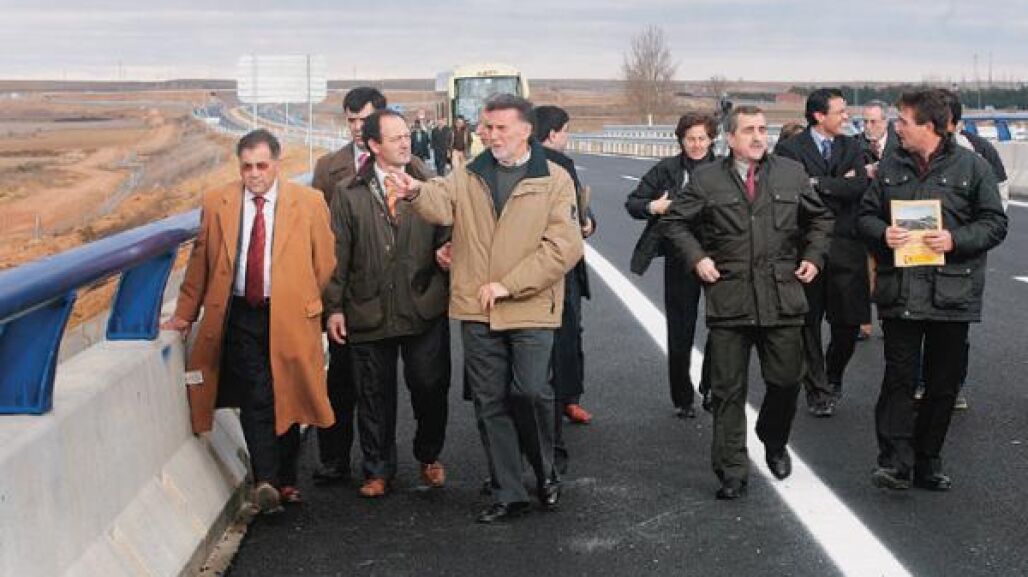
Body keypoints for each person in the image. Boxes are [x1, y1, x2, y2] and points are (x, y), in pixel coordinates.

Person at [389, 93, 583, 523]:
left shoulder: (554, 179)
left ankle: (546, 472)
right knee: (490, 402)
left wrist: (509, 285)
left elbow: (563, 248)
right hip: (477, 307)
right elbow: (440, 200)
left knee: (530, 392)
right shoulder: (468, 174)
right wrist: (415, 191)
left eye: (499, 128)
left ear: (525, 130)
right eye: (486, 127)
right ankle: (508, 491)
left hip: (530, 305)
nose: (490, 135)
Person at [662, 106, 833, 499]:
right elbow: (675, 222)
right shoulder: (707, 179)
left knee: (787, 380)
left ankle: (773, 437)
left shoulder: (791, 173)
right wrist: (698, 259)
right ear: (730, 138)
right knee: (727, 390)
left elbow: (821, 220)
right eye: (748, 130)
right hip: (731, 297)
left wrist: (813, 257)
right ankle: (732, 470)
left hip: (781, 296)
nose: (758, 137)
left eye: (762, 129)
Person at [163, 129, 337, 514]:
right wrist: (184, 315)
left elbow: (324, 262)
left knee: (287, 393)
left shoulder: (309, 202)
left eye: (261, 166)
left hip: (289, 315)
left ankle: (286, 479)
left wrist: (301, 298)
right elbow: (200, 264)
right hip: (241, 313)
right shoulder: (218, 202)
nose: (254, 174)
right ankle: (266, 481)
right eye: (247, 167)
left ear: (276, 163)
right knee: (256, 394)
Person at [857, 89, 1007, 491]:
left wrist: (955, 239)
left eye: (904, 121)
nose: (897, 128)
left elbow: (995, 223)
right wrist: (882, 233)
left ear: (929, 126)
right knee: (899, 380)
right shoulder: (890, 167)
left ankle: (927, 460)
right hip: (901, 290)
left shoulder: (973, 167)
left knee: (942, 385)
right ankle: (894, 462)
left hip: (951, 293)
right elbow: (865, 216)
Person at [323, 110, 452, 498]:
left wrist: (448, 249)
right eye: (395, 138)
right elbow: (337, 255)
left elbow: (450, 229)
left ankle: (428, 454)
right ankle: (377, 470)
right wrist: (334, 308)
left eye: (406, 135)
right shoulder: (348, 193)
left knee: (430, 385)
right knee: (373, 394)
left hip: (423, 303)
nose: (405, 142)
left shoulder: (431, 184)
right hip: (368, 307)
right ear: (374, 145)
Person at [775, 88, 870, 418]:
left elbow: (860, 186)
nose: (846, 117)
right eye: (840, 111)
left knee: (849, 323)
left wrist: (818, 183)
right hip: (805, 247)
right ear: (818, 115)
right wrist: (836, 183)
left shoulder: (851, 146)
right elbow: (792, 191)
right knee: (808, 323)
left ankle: (832, 375)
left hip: (846, 247)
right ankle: (817, 388)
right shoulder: (789, 149)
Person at [308, 86, 387, 486]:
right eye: (351, 120)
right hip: (346, 289)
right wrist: (329, 298)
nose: (357, 127)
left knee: (388, 382)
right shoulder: (328, 168)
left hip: (392, 291)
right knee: (341, 379)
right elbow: (319, 232)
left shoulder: (408, 163)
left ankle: (387, 461)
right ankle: (334, 457)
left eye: (364, 120)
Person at [627, 112, 718, 418]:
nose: (696, 144)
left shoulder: (725, 169)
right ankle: (682, 398)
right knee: (680, 330)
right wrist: (655, 205)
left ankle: (711, 386)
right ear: (681, 140)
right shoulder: (667, 169)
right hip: (680, 257)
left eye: (702, 138)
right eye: (690, 138)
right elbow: (634, 202)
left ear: (712, 140)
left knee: (723, 327)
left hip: (719, 255)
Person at [534, 105, 595, 475]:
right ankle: (562, 403)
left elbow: (580, 212)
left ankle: (567, 399)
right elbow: (573, 212)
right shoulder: (558, 163)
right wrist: (585, 224)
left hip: (554, 264)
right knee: (564, 337)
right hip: (560, 268)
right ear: (554, 133)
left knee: (564, 337)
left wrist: (588, 222)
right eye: (566, 130)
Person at [859, 100, 900, 179]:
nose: (868, 126)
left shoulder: (901, 143)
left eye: (873, 122)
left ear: (885, 122)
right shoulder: (856, 145)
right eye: (865, 121)